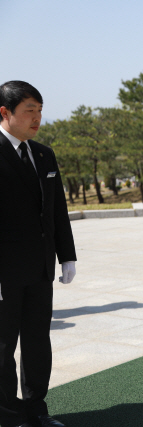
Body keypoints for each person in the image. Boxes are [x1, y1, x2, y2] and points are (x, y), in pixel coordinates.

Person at [0, 81, 76, 427]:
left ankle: (36, 408)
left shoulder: (44, 154)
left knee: (36, 342)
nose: (37, 118)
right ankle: (7, 413)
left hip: (39, 269)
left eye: (40, 111)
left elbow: (57, 209)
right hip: (4, 272)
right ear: (5, 113)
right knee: (3, 347)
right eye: (29, 111)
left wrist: (67, 255)